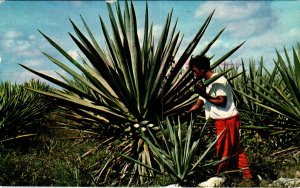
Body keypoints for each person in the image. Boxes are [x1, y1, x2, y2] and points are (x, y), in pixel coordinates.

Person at [183, 55, 255, 185]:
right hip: (223, 120)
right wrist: (187, 113)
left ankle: (221, 177)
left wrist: (203, 93)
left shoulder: (218, 81)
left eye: (194, 70)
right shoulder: (206, 83)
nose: (193, 74)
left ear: (202, 69)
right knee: (234, 149)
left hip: (228, 119)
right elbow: (199, 103)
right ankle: (247, 176)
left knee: (223, 149)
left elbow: (222, 101)